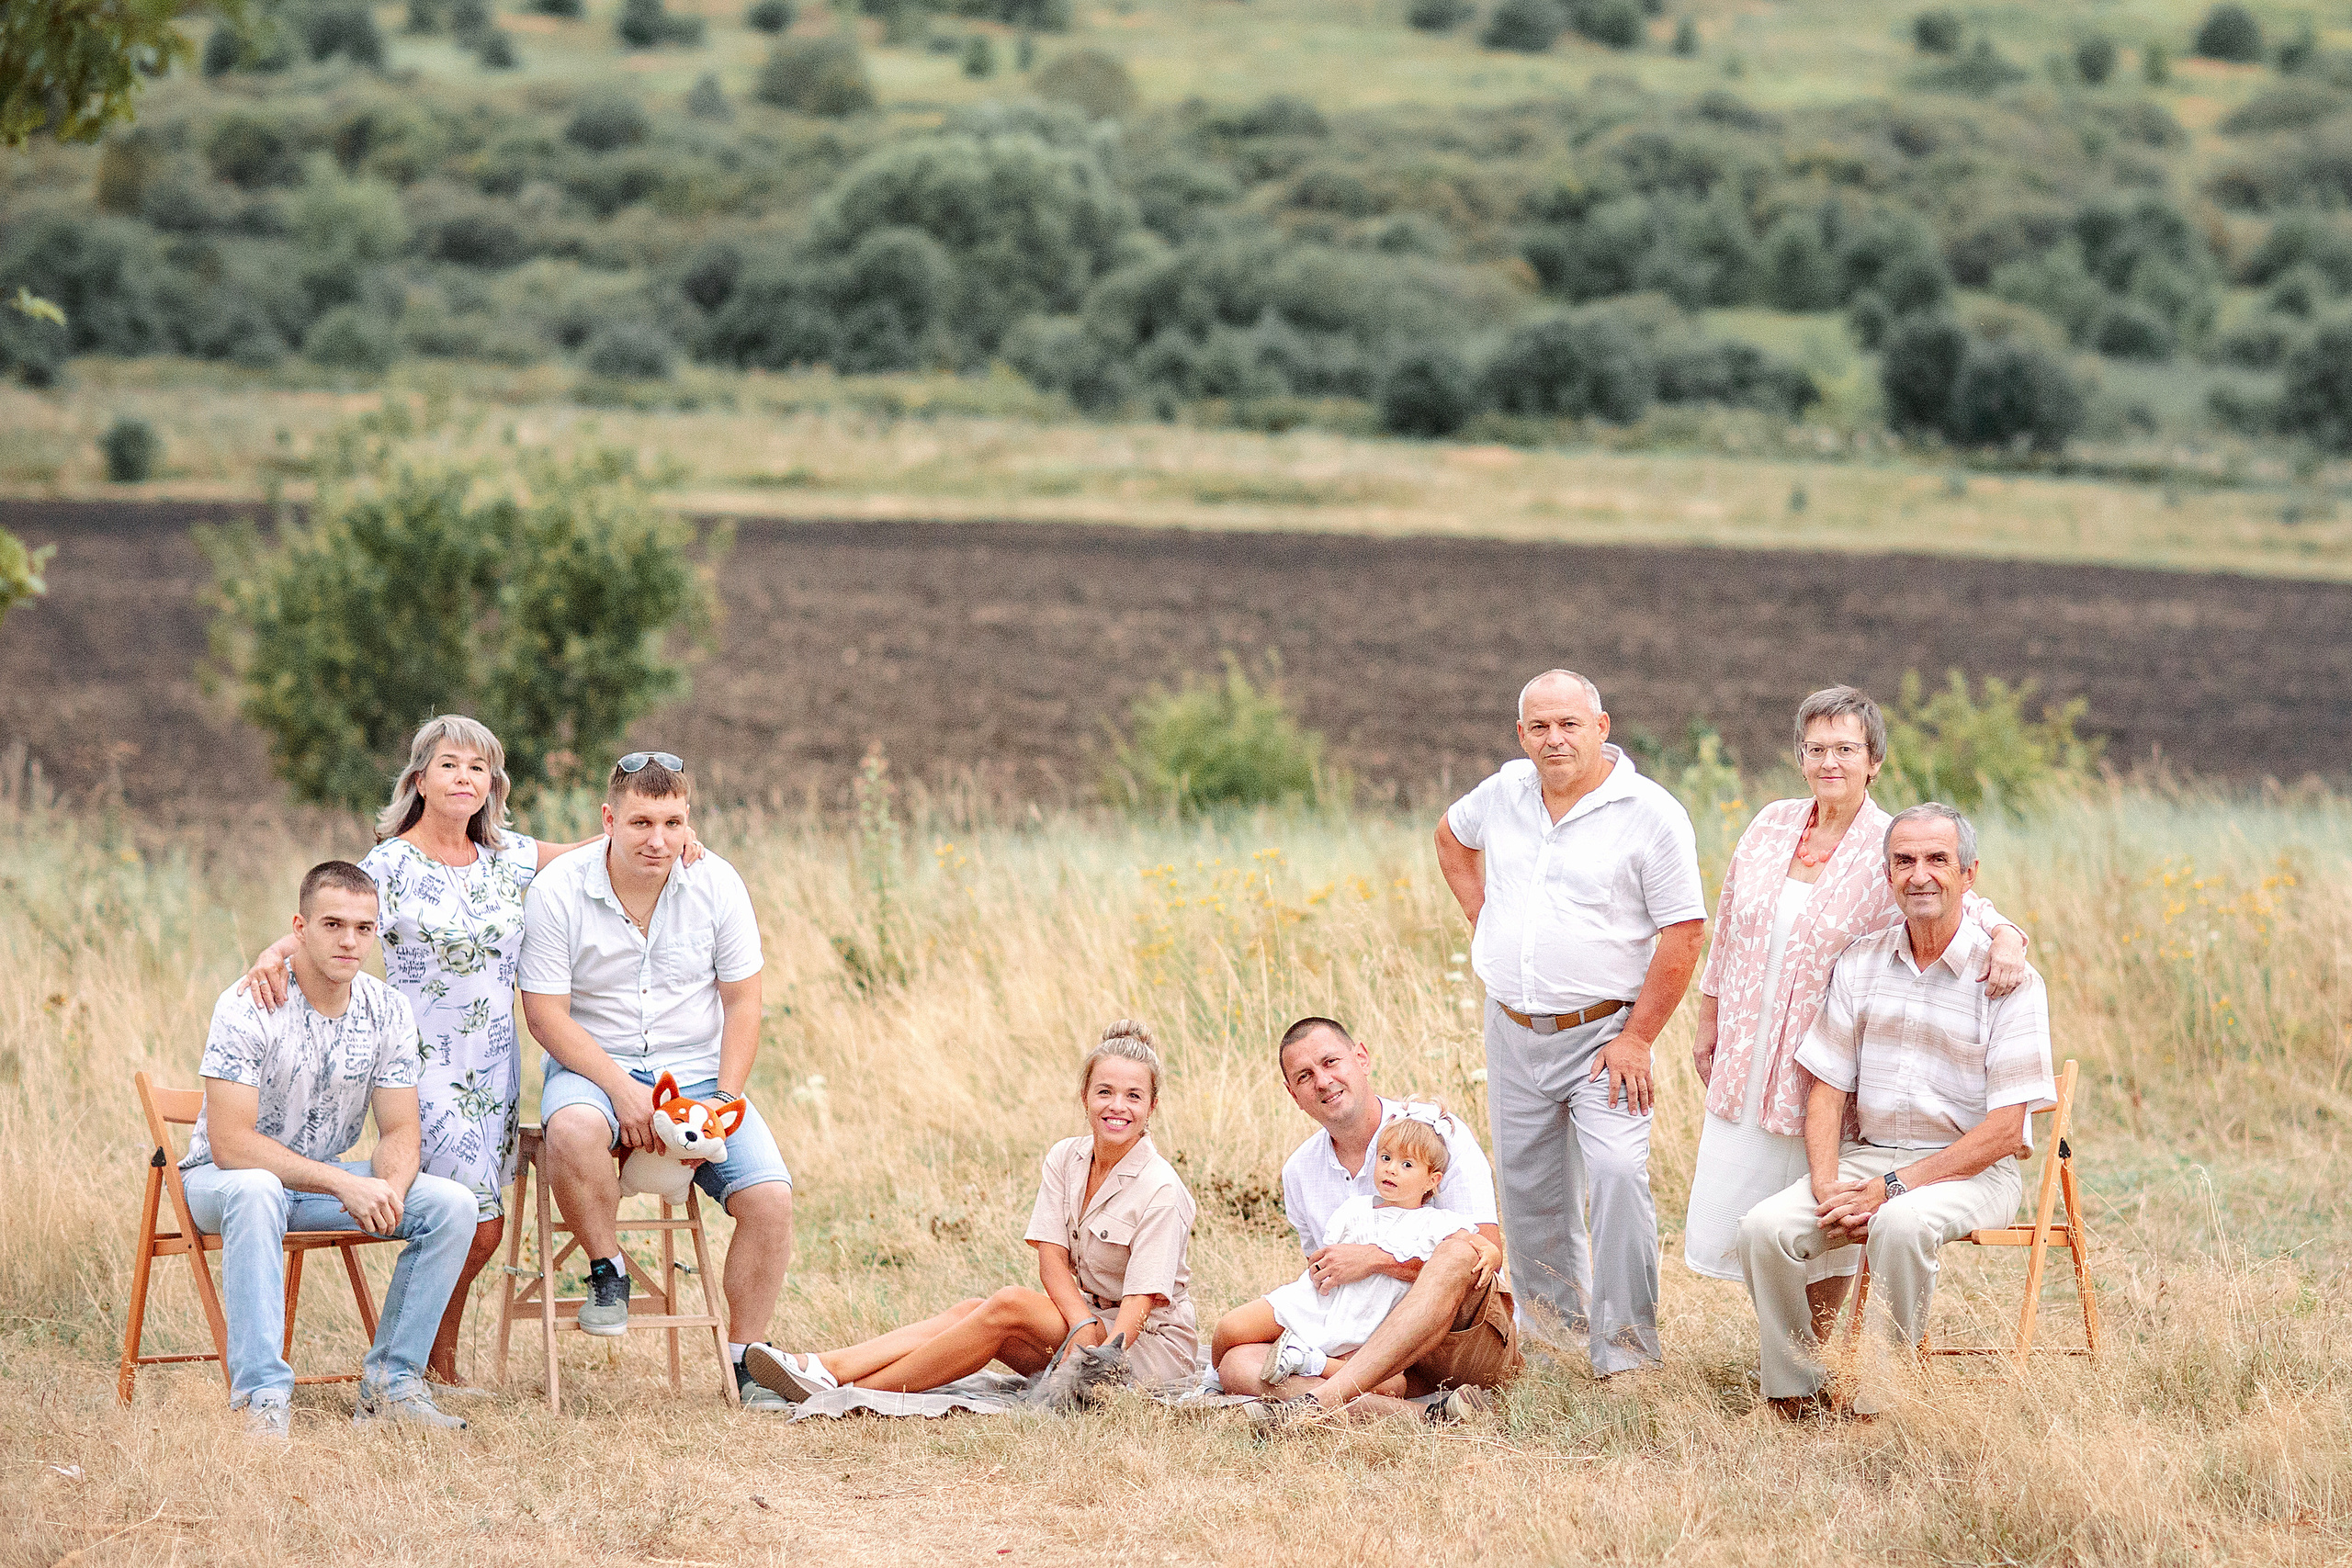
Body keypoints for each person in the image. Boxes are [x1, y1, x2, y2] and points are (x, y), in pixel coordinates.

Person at [237, 715, 700, 1389]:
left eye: (478, 767)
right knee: (473, 1221)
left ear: (492, 785)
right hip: (422, 1067)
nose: (464, 778)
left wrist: (675, 839)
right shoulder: (391, 864)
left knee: (481, 1219)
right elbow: (329, 920)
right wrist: (268, 956)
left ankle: (428, 1364)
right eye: (449, 764)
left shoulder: (506, 856)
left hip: (493, 1067)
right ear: (420, 780)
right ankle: (421, 1366)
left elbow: (598, 847)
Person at [1683, 687, 2029, 1338]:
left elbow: (1960, 899)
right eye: (1816, 749)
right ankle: (1793, 1352)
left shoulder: (1891, 842)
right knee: (1749, 1210)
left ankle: (1819, 1344)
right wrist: (1709, 1016)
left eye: (1845, 749)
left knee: (1828, 1207)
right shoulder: (1771, 825)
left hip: (1828, 1059)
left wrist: (2009, 937)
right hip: (1747, 1050)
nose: (1829, 762)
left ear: (1874, 761)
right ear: (1799, 757)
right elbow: (1727, 925)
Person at [1737, 803, 2056, 1418]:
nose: (1920, 874)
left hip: (1972, 1172)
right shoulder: (1861, 962)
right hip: (1871, 1159)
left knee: (1902, 1223)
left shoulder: (2009, 980)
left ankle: (1879, 1402)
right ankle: (1797, 1391)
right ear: (1888, 875)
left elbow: (2002, 1132)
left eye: (1938, 859)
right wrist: (1827, 1184)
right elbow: (1826, 1089)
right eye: (1904, 861)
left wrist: (1892, 1188)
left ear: (1969, 874)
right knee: (1762, 1229)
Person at [1436, 669, 1708, 1376]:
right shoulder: (1503, 792)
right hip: (1513, 1027)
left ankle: (1627, 1355)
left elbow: (1684, 932)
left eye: (1569, 724)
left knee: (1617, 1173)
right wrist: (1483, 919)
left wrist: (1638, 1038)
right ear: (1521, 734)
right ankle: (1555, 1345)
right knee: (1529, 1192)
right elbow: (1451, 837)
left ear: (1601, 727)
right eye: (1540, 727)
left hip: (1606, 1035)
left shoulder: (1650, 813)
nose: (1554, 738)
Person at [518, 751, 795, 1410]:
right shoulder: (559, 889)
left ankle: (746, 1360)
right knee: (573, 1127)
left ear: (688, 819)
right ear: (608, 819)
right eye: (641, 822)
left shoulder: (716, 882)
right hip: (594, 1065)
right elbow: (545, 1013)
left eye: (673, 823)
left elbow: (743, 1002)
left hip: (696, 1072)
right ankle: (607, 1269)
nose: (659, 840)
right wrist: (621, 1089)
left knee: (771, 1199)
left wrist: (724, 1098)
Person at [742, 1021, 1197, 1401]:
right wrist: (1079, 1324)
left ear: (1152, 1106)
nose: (1117, 1106)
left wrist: (1093, 1352)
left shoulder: (1160, 1187)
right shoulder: (1066, 1158)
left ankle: (846, 1392)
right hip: (1090, 1324)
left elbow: (1139, 1304)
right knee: (974, 1310)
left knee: (1009, 1304)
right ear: (1085, 1096)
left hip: (1139, 1347)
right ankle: (823, 1369)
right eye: (1105, 1092)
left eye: (1133, 1096)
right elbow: (1052, 1259)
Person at [182, 861, 478, 1438]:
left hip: (316, 1186)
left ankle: (392, 1386)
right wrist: (343, 1183)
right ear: (300, 928)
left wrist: (387, 1191)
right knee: (257, 1188)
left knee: (451, 1204)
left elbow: (400, 1130)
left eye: (363, 929)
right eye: (333, 924)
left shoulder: (386, 1008)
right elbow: (231, 1144)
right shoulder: (248, 1004)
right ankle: (262, 1399)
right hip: (223, 1183)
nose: (349, 941)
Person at [1210, 1017, 1519, 1423]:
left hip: (1456, 1343)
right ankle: (1422, 1418)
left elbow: (1482, 1259)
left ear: (1361, 1058)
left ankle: (1318, 1403)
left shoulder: (1433, 1135)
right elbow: (1326, 1282)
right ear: (1293, 1094)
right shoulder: (1300, 1171)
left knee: (1459, 1252)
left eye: (1330, 1062)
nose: (1323, 1081)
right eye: (1305, 1076)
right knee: (1237, 1364)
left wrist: (1375, 1260)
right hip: (1363, 1343)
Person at [1218, 1117, 1498, 1396]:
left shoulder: (1437, 1223)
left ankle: (1310, 1362)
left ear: (1431, 1180)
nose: (1391, 1169)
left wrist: (1491, 1252)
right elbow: (1325, 1258)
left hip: (1371, 1324)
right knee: (1231, 1327)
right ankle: (1213, 1383)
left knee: (1392, 1384)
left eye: (1407, 1164)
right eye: (1386, 1158)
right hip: (1322, 1305)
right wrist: (1318, 1267)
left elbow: (1478, 1247)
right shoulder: (1354, 1210)